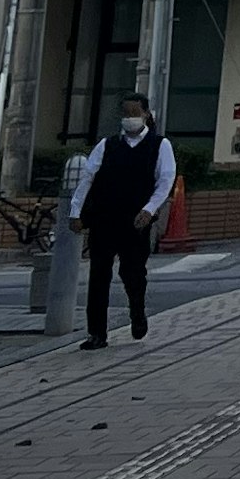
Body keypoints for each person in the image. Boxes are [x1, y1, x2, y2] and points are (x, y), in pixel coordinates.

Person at [73, 95, 177, 347]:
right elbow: (88, 178)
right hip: (103, 217)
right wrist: (75, 212)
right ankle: (96, 332)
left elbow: (165, 180)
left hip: (136, 220)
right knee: (99, 275)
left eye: (135, 112)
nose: (129, 117)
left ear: (146, 114)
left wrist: (150, 209)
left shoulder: (159, 145)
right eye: (126, 112)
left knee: (133, 273)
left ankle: (138, 314)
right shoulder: (107, 145)